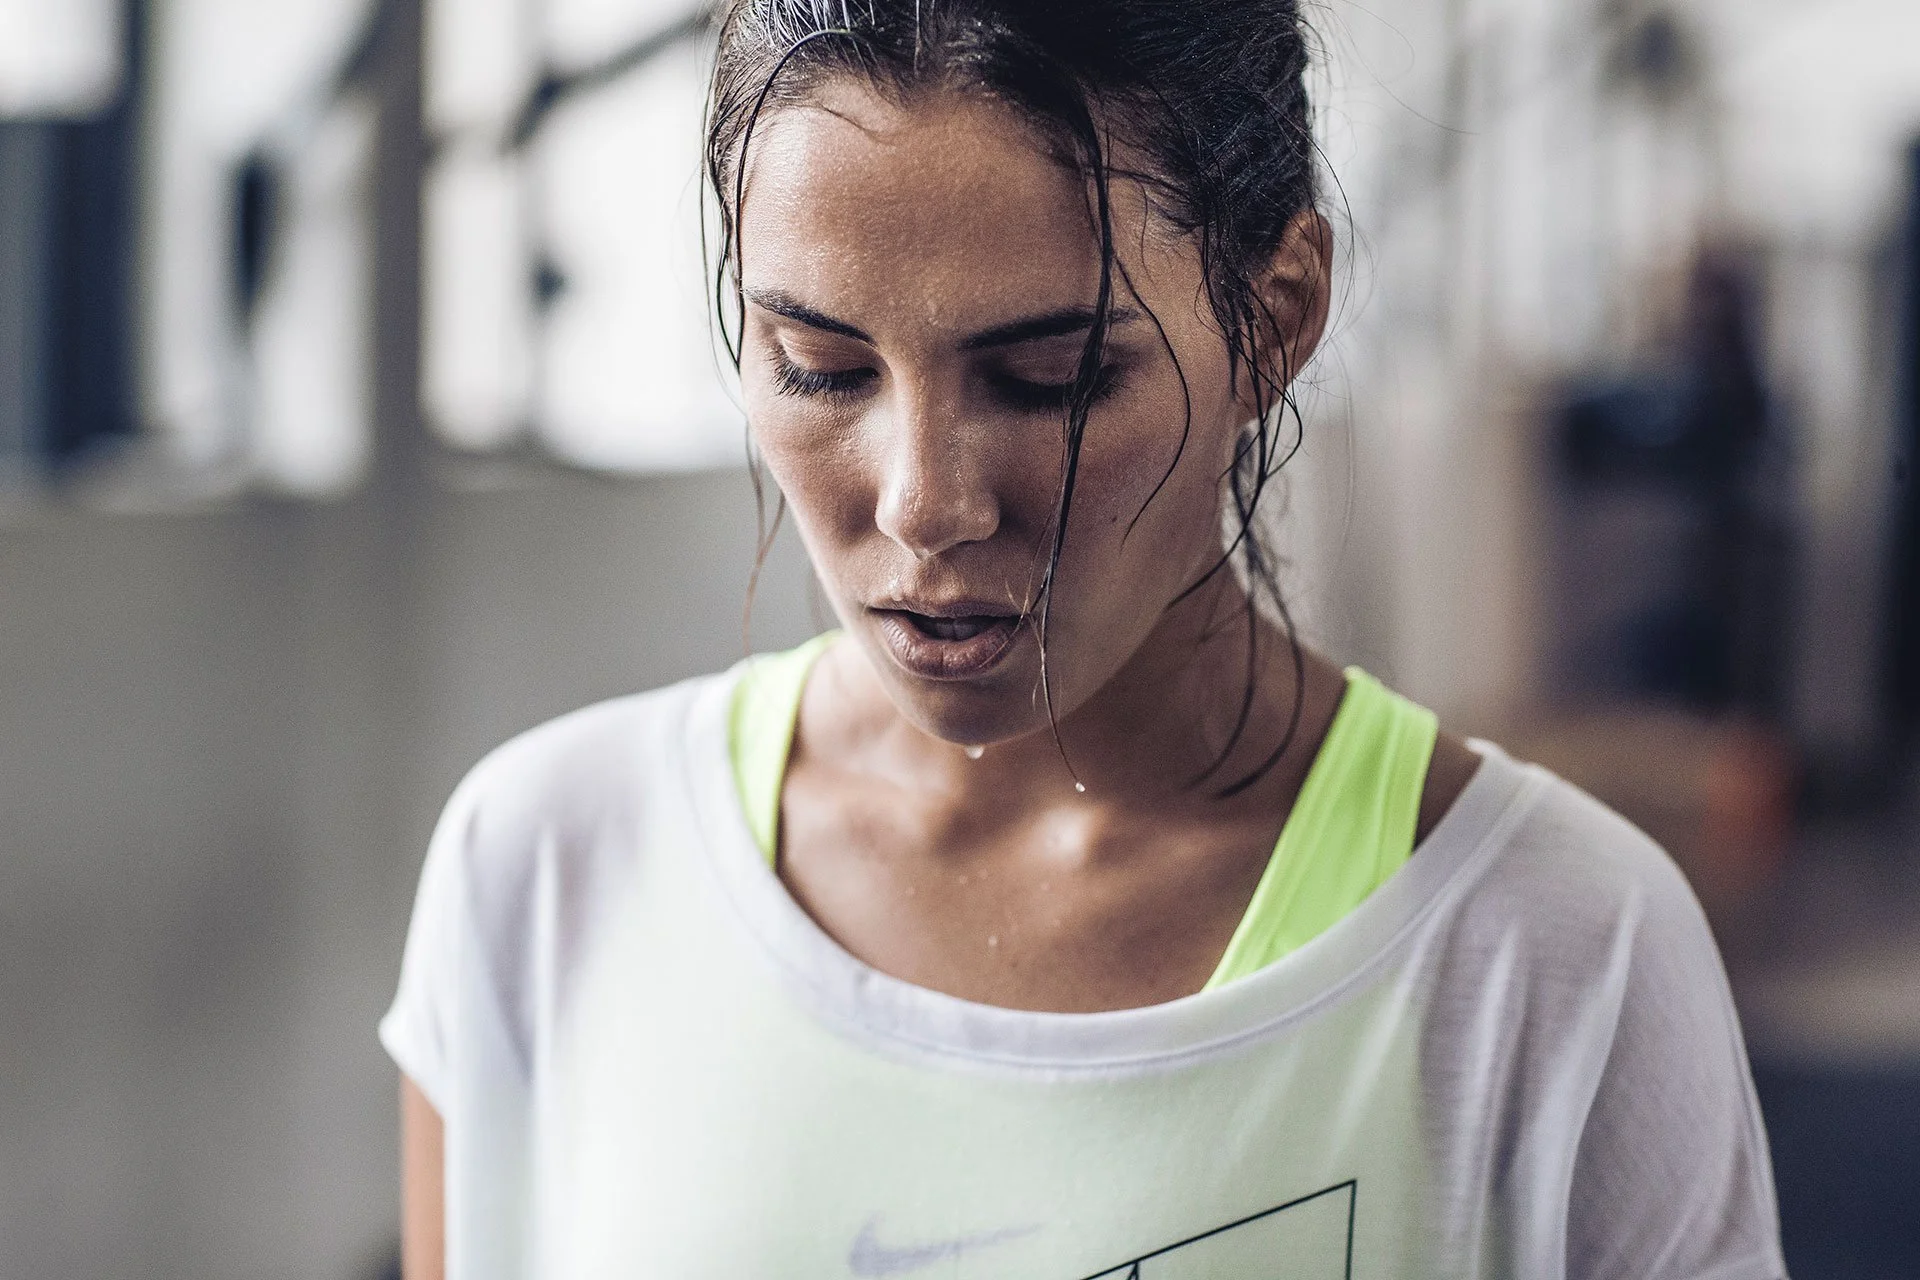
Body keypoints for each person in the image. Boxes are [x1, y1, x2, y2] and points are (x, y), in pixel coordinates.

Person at [381, 2, 1787, 1276]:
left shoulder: (1551, 952)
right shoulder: (550, 868)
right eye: (820, 365)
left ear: (1278, 314)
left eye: (1052, 377)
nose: (926, 499)